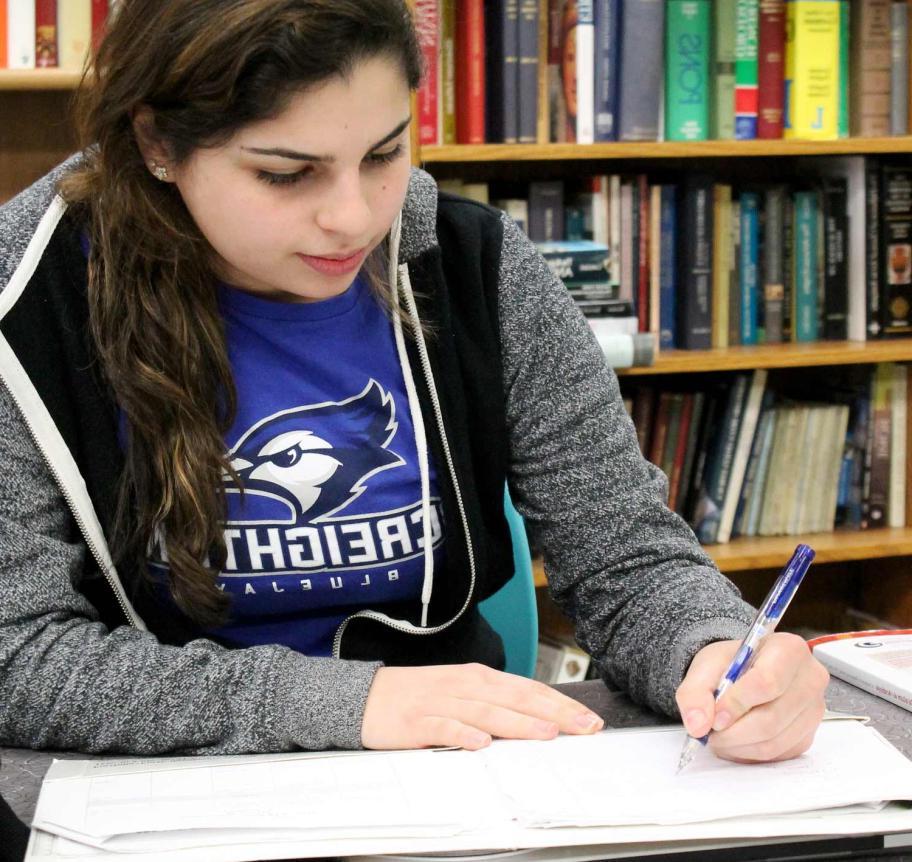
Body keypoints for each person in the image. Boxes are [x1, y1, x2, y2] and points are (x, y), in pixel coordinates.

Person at [0, 0, 827, 761]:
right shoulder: (25, 303)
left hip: (456, 788)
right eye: (286, 174)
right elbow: (17, 655)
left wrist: (714, 649)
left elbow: (628, 559)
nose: (355, 216)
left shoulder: (474, 266)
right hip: (147, 796)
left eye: (385, 153)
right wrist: (337, 705)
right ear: (156, 144)